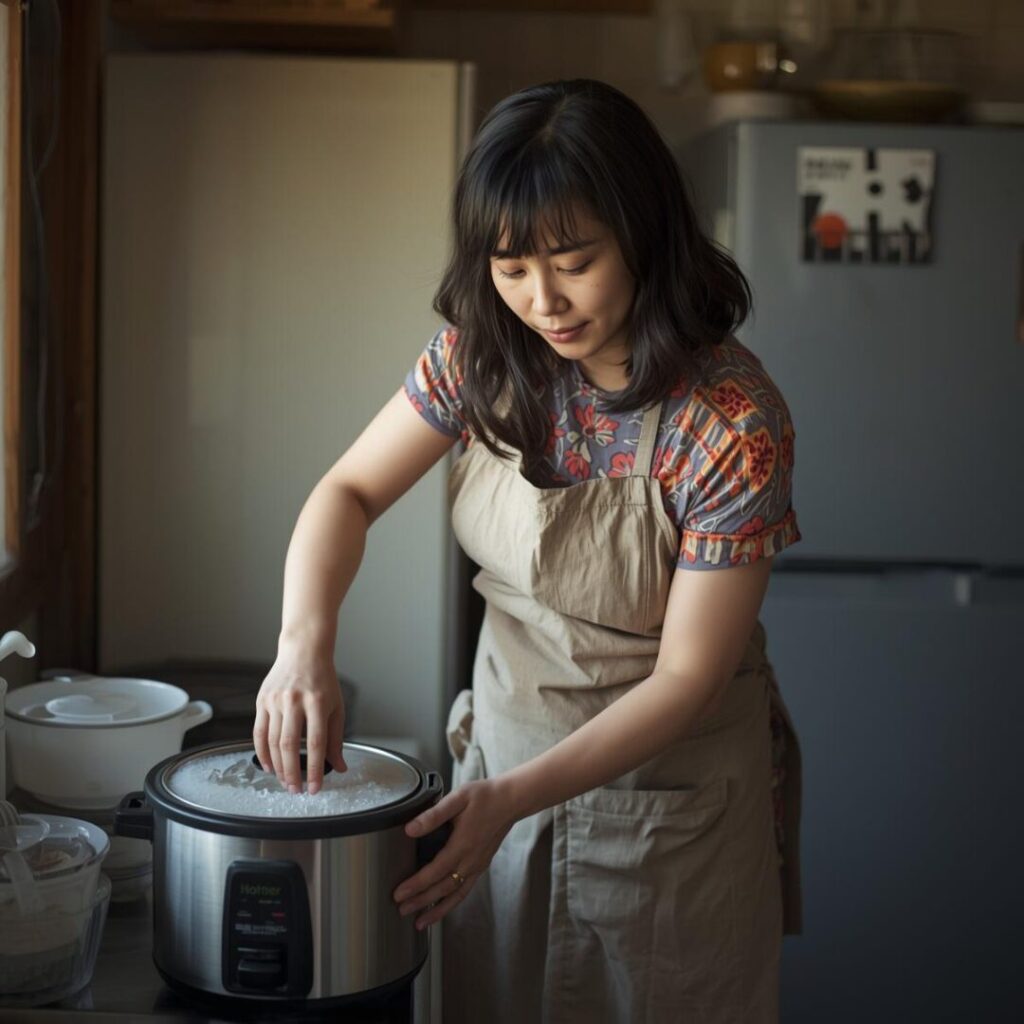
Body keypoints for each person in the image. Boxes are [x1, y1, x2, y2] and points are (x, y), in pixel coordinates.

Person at [253, 78, 803, 1024]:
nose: (542, 301)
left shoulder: (731, 421)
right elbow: (346, 492)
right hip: (501, 771)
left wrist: (515, 798)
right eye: (510, 268)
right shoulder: (484, 357)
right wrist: (304, 644)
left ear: (643, 232)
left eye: (574, 261)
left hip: (669, 810)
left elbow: (688, 679)